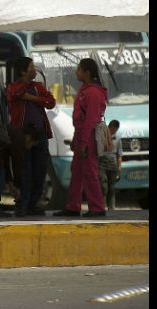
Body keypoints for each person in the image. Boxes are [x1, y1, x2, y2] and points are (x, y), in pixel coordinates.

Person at [54, 58, 108, 217]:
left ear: (87, 72)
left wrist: (83, 142)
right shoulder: (85, 89)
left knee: (89, 172)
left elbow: (91, 119)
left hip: (88, 137)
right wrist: (76, 139)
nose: (76, 72)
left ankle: (97, 207)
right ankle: (73, 206)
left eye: (79, 69)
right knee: (77, 171)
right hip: (82, 135)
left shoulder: (92, 92)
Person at [7, 57, 56, 217]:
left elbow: (51, 102)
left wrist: (33, 98)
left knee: (40, 172)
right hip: (22, 136)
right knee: (24, 172)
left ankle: (33, 204)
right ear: (23, 71)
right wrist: (28, 89)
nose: (35, 70)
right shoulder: (14, 87)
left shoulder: (37, 87)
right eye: (31, 67)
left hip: (40, 135)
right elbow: (16, 94)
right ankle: (23, 204)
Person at [97, 119, 122, 211]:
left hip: (113, 164)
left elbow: (119, 154)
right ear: (109, 127)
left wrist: (119, 167)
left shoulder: (118, 138)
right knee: (103, 186)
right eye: (113, 129)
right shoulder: (102, 135)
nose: (114, 131)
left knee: (112, 188)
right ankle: (101, 206)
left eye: (116, 130)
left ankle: (112, 207)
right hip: (102, 163)